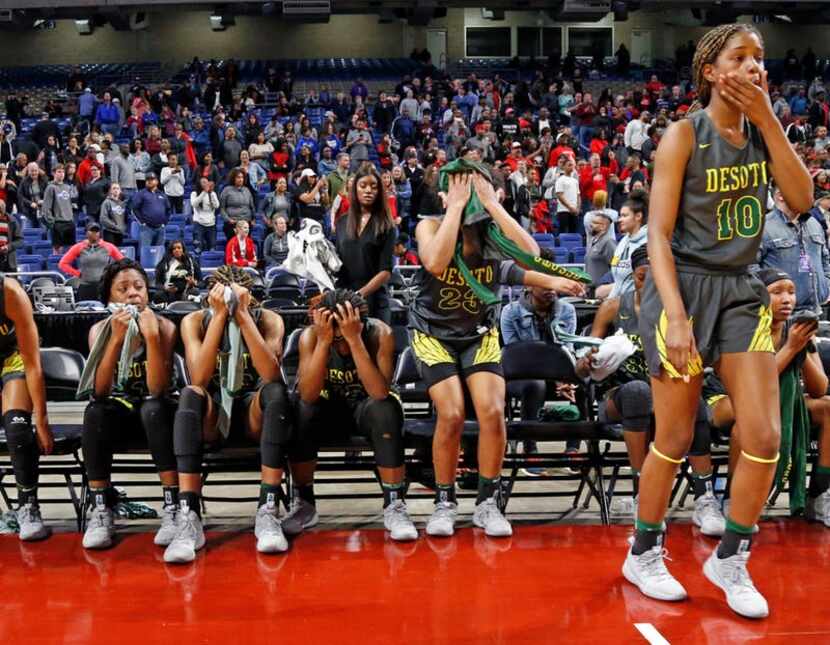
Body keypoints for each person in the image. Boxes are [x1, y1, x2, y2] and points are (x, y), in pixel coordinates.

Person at [625, 24, 813, 619]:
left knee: (764, 437)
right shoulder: (684, 135)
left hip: (739, 289)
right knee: (676, 437)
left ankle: (730, 557)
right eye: (742, 57)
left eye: (761, 58)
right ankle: (643, 551)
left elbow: (803, 198)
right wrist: (675, 316)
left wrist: (771, 118)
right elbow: (655, 231)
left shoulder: (763, 133)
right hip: (681, 286)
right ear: (711, 71)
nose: (756, 66)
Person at [411, 170, 585, 538]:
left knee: (492, 411)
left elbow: (528, 257)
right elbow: (437, 263)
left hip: (477, 333)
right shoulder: (429, 226)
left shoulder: (489, 236)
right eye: (458, 191)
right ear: (444, 197)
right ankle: (445, 502)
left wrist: (492, 204)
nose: (468, 196)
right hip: (433, 334)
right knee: (453, 412)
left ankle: (488, 502)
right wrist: (456, 208)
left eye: (476, 190)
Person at [165, 265, 290, 563]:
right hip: (213, 413)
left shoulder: (269, 319)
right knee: (190, 395)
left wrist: (244, 318)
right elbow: (198, 376)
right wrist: (220, 317)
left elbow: (272, 373)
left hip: (252, 414)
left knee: (275, 392)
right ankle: (188, 515)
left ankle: (268, 508)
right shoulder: (194, 320)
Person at [286, 289, 416, 541]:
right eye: (337, 340)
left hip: (366, 407)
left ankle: (394, 504)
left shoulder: (380, 333)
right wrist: (324, 342)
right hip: (329, 408)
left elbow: (378, 392)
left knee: (385, 408)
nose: (341, 345)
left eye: (342, 336)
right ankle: (304, 503)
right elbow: (308, 395)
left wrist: (355, 341)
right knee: (300, 409)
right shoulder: (311, 336)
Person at [707, 269, 830, 529]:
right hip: (727, 400)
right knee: (748, 419)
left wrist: (802, 348)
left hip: (774, 403)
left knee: (827, 408)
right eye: (777, 292)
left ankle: (819, 495)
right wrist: (790, 348)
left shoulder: (796, 331)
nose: (787, 299)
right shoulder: (741, 329)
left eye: (791, 292)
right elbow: (754, 387)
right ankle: (733, 498)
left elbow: (819, 389)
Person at [79, 259, 179, 550]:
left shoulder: (165, 327)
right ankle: (101, 507)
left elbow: (158, 389)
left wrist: (150, 337)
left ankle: (173, 507)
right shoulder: (99, 330)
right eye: (123, 288)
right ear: (110, 297)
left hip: (159, 415)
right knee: (95, 411)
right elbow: (99, 391)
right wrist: (116, 340)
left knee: (153, 407)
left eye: (139, 287)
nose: (133, 293)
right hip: (120, 414)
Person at [0, 271, 54, 541]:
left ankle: (28, 504)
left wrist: (41, 420)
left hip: (13, 356)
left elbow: (32, 364)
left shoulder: (10, 293)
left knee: (18, 428)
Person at [334, 165, 396, 323]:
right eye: (363, 186)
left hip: (375, 301)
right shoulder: (341, 222)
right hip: (345, 302)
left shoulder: (386, 225)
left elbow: (386, 271)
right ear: (355, 189)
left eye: (373, 187)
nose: (368, 190)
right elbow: (337, 262)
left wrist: (359, 295)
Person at [756, 184, 830, 315]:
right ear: (780, 196)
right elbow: (750, 269)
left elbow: (825, 258)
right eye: (802, 193)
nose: (809, 198)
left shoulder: (814, 223)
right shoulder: (762, 226)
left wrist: (827, 284)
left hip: (817, 310)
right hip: (779, 316)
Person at [59, 221, 124, 301]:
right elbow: (63, 264)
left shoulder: (108, 246)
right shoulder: (79, 247)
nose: (94, 233)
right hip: (85, 287)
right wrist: (77, 273)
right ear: (86, 233)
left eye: (97, 231)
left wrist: (112, 274)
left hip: (103, 287)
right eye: (92, 231)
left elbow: (123, 262)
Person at [604, 191, 648, 300]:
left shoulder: (648, 243)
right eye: (620, 215)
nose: (620, 220)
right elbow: (619, 281)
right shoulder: (623, 241)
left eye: (625, 215)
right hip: (619, 305)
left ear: (638, 216)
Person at [583, 190, 618, 285]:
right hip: (591, 285)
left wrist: (607, 282)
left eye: (596, 223)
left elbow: (616, 263)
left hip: (603, 288)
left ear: (604, 226)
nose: (591, 225)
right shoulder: (590, 216)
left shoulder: (609, 242)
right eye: (593, 222)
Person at [42, 164, 76, 256]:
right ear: (53, 173)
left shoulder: (67, 187)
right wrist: (52, 223)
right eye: (59, 172)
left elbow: (70, 204)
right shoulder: (50, 188)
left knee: (71, 250)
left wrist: (71, 218)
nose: (61, 174)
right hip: (58, 223)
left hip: (69, 222)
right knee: (57, 250)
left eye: (63, 172)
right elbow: (46, 208)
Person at [131, 172, 171, 249]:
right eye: (147, 179)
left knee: (159, 253)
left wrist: (164, 223)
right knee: (145, 252)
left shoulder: (162, 194)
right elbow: (134, 209)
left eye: (152, 179)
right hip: (147, 229)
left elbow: (168, 210)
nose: (149, 181)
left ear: (157, 181)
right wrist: (142, 222)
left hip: (160, 229)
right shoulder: (141, 194)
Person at [219, 168, 255, 241]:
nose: (240, 179)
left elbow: (252, 207)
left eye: (242, 177)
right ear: (233, 178)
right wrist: (228, 219)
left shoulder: (247, 190)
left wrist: (253, 219)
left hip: (246, 222)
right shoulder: (226, 190)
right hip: (232, 223)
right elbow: (222, 208)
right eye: (238, 177)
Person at [190, 177, 219, 254]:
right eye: (203, 182)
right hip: (198, 224)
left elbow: (216, 206)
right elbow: (194, 204)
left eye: (207, 182)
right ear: (199, 184)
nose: (206, 183)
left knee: (212, 247)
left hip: (211, 224)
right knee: (198, 248)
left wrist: (211, 193)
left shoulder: (212, 193)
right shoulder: (194, 193)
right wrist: (204, 192)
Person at [17, 162, 47, 228]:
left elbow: (49, 194)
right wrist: (30, 203)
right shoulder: (24, 182)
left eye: (35, 170)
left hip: (42, 211)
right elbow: (20, 196)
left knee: (44, 231)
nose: (34, 173)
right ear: (28, 171)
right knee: (28, 232)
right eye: (32, 171)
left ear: (38, 170)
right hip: (28, 212)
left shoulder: (44, 180)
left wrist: (43, 200)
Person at [554, 157, 580, 234]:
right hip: (563, 210)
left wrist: (577, 208)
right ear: (564, 167)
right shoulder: (560, 180)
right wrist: (569, 207)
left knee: (573, 232)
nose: (571, 167)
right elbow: (559, 195)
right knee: (563, 232)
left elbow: (578, 195)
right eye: (569, 165)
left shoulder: (575, 181)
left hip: (574, 211)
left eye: (572, 165)